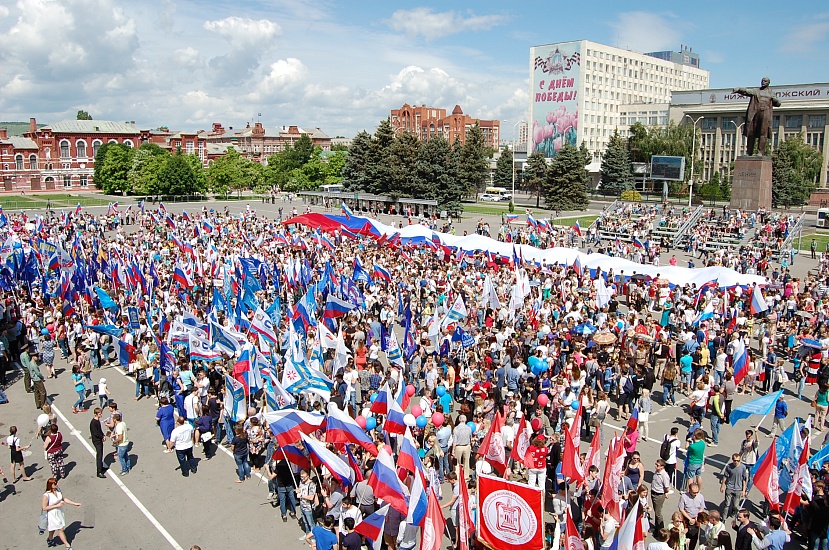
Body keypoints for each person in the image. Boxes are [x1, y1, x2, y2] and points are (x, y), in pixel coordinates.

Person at [41, 477, 81, 549]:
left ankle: (50, 539)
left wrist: (74, 503)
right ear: (50, 485)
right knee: (60, 529)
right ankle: (67, 545)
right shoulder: (46, 495)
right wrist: (57, 505)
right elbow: (44, 507)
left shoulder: (58, 490)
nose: (57, 485)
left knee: (53, 528)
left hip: (59, 512)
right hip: (52, 514)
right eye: (55, 484)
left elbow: (64, 499)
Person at [678, 482, 706, 550]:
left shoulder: (700, 496)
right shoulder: (684, 497)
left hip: (696, 519)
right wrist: (690, 518)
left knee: (694, 536)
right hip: (686, 519)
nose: (695, 494)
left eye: (697, 492)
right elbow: (681, 509)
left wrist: (696, 517)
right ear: (689, 490)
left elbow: (702, 508)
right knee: (684, 535)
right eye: (694, 492)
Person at [720, 454, 747, 518]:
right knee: (727, 504)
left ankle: (733, 510)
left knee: (735, 505)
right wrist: (722, 486)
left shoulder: (743, 467)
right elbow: (725, 477)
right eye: (735, 460)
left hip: (738, 488)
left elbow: (744, 479)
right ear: (732, 460)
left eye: (738, 461)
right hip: (729, 487)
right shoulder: (729, 467)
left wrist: (743, 490)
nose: (736, 462)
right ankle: (724, 518)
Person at [651, 459, 672, 531]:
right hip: (653, 492)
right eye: (655, 464)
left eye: (657, 465)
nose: (655, 466)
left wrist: (666, 493)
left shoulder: (664, 475)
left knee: (658, 513)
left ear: (662, 467)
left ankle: (661, 529)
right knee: (656, 511)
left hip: (659, 495)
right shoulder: (657, 472)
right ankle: (656, 527)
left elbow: (667, 487)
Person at [298, 469, 317, 534]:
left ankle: (314, 537)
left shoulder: (312, 485)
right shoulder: (301, 482)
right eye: (301, 477)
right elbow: (300, 489)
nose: (302, 478)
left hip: (308, 508)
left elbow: (311, 497)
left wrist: (301, 495)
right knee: (305, 522)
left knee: (311, 523)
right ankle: (307, 534)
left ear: (308, 476)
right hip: (302, 506)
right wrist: (298, 491)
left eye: (303, 477)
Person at [90, 407, 106, 478]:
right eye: (100, 414)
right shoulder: (93, 423)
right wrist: (102, 437)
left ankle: (101, 467)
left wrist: (103, 435)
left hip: (98, 439)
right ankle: (99, 472)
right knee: (99, 455)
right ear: (96, 414)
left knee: (101, 454)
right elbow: (95, 433)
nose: (101, 415)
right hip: (96, 441)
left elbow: (99, 430)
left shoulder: (97, 421)